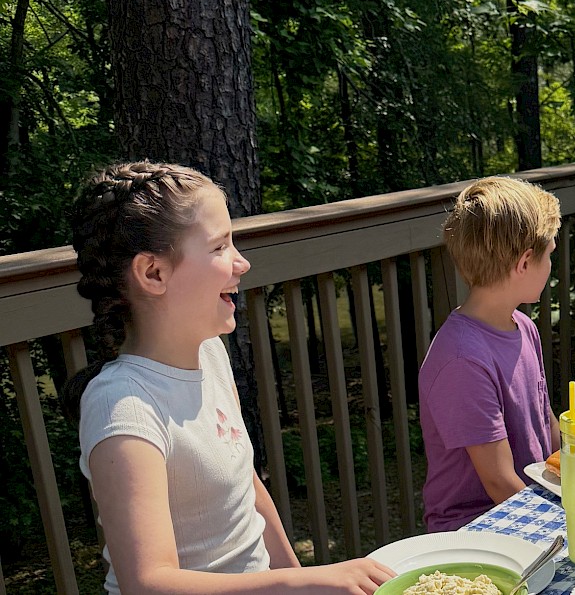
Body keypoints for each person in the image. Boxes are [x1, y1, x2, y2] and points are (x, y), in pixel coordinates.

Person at [62, 162, 395, 594]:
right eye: (220, 247)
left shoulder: (209, 354)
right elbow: (148, 584)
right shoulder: (123, 407)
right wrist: (305, 583)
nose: (242, 262)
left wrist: (297, 577)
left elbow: (247, 488)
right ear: (153, 274)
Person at [419, 176, 562, 531]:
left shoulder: (522, 326)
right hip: (477, 529)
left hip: (532, 505)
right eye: (549, 256)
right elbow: (499, 482)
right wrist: (565, 525)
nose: (551, 266)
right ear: (524, 263)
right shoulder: (462, 359)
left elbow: (545, 418)